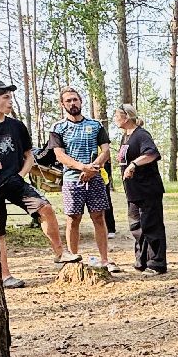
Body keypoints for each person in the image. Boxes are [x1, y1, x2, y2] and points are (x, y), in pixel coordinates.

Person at [0, 78, 66, 287]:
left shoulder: (17, 126)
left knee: (45, 207)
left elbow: (29, 156)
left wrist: (21, 174)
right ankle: (5, 276)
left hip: (14, 181)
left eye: (11, 97)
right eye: (6, 97)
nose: (10, 101)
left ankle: (60, 254)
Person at [48, 87, 116, 272]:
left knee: (98, 217)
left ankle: (104, 259)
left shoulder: (96, 125)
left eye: (75, 100)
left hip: (95, 178)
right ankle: (72, 259)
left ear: (81, 101)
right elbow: (60, 155)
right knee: (73, 218)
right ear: (63, 105)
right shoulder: (57, 128)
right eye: (68, 101)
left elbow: (106, 151)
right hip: (72, 179)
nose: (72, 103)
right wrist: (82, 167)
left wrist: (92, 169)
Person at [115, 104, 168, 275]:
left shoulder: (141, 135)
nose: (115, 118)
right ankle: (142, 261)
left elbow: (151, 153)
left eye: (117, 115)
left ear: (127, 117)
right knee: (137, 227)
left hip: (147, 189)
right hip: (133, 191)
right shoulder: (125, 137)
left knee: (151, 225)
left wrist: (134, 164)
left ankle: (157, 263)